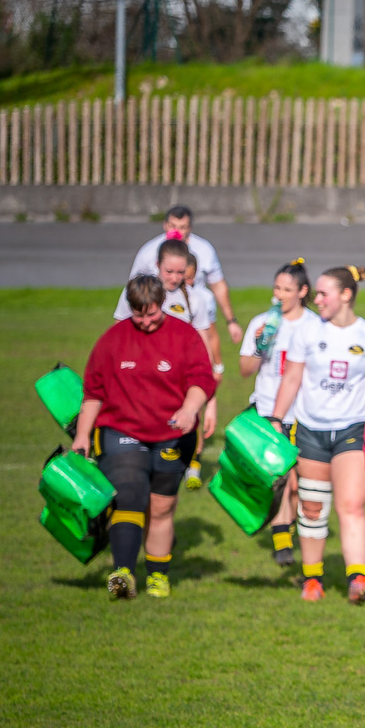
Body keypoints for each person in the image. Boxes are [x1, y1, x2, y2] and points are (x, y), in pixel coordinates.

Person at [73, 274, 216, 599]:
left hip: (172, 435)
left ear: (161, 304)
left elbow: (200, 380)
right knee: (128, 495)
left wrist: (189, 409)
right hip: (122, 431)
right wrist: (83, 434)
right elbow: (93, 393)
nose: (147, 322)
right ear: (130, 308)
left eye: (152, 314)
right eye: (139, 315)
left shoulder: (184, 336)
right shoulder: (112, 341)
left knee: (162, 507)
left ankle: (157, 575)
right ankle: (123, 572)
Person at [270, 265, 365, 604]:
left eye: (324, 293)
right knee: (311, 507)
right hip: (310, 431)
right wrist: (277, 419)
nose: (317, 299)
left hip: (354, 430)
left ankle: (358, 579)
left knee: (350, 505)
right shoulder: (306, 332)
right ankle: (313, 579)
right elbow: (291, 379)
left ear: (346, 295)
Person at [116, 240, 222, 488]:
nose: (175, 278)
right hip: (140, 386)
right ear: (156, 265)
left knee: (164, 474)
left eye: (180, 272)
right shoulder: (133, 294)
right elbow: (117, 341)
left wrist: (211, 403)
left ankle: (186, 472)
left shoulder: (195, 299)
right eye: (169, 271)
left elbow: (204, 354)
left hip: (177, 388)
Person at [238, 259, 317, 565]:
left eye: (287, 289)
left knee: (300, 483)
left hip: (303, 414)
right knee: (279, 477)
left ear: (303, 291)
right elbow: (245, 370)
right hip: (267, 410)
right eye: (277, 287)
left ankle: (293, 526)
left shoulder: (313, 326)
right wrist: (261, 346)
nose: (280, 294)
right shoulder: (262, 322)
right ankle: (282, 539)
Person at [125, 204, 243, 344]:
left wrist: (231, 321)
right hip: (158, 316)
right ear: (165, 225)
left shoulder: (204, 250)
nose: (177, 231)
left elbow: (218, 285)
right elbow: (134, 289)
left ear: (190, 228)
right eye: (173, 226)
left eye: (182, 227)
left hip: (198, 314)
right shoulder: (148, 252)